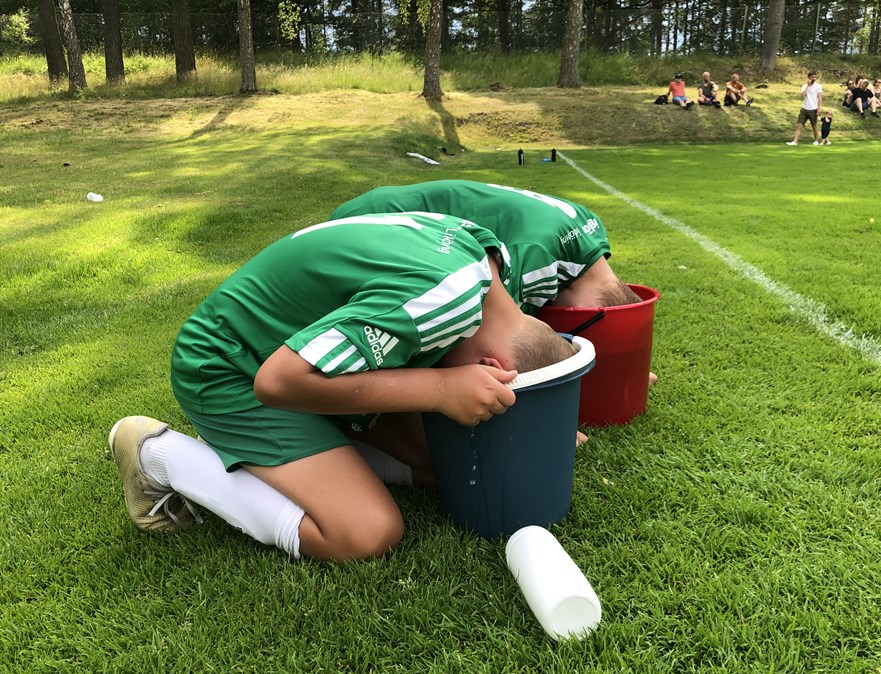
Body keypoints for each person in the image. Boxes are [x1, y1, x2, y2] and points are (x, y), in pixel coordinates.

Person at [109, 213, 578, 563]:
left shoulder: (487, 266)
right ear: (491, 367)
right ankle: (159, 455)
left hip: (291, 352)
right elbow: (277, 381)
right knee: (367, 531)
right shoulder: (440, 304)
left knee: (439, 464)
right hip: (228, 370)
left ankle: (275, 453)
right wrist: (439, 389)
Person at [329, 180, 640, 314]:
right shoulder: (535, 256)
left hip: (390, 204)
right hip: (377, 219)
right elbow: (500, 331)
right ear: (582, 310)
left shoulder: (590, 228)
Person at [786, 71, 822, 145]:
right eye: (812, 77)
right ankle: (795, 141)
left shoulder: (818, 86)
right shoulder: (804, 86)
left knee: (814, 126)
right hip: (804, 109)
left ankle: (816, 141)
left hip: (813, 109)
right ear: (809, 78)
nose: (814, 78)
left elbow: (819, 98)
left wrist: (819, 108)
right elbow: (803, 94)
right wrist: (808, 86)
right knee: (799, 125)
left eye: (815, 77)